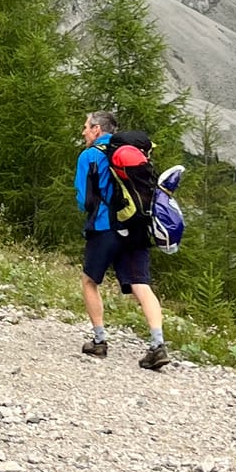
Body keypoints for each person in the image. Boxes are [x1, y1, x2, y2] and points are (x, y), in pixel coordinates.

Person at [76, 108, 168, 371]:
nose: (83, 132)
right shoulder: (132, 153)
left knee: (90, 281)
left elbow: (83, 199)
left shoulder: (90, 155)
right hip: (136, 227)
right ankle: (157, 344)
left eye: (86, 127)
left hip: (105, 227)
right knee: (141, 284)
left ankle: (99, 340)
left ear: (97, 130)